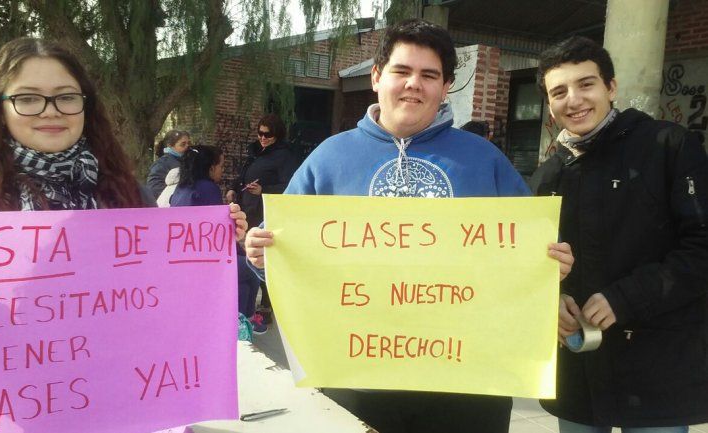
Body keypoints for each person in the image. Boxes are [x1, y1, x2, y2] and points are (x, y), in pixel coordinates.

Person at [244, 19, 574, 433]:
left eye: (429, 75)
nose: (413, 84)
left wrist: (549, 265)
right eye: (402, 71)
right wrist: (261, 256)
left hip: (466, 381)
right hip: (354, 375)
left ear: (446, 85)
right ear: (377, 77)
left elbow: (527, 251)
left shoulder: (484, 160)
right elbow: (281, 253)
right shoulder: (329, 158)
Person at [529, 36, 708, 433]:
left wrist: (626, 297)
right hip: (577, 372)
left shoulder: (669, 146)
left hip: (656, 369)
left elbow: (701, 248)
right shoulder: (548, 176)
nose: (573, 100)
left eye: (586, 84)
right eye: (559, 91)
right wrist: (550, 301)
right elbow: (532, 264)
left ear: (611, 87)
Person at [0, 37, 247, 241]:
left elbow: (163, 286)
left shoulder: (129, 195)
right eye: (28, 98)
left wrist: (213, 239)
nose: (51, 112)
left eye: (66, 97)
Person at [168, 146, 264, 332]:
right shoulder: (208, 189)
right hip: (205, 262)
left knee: (242, 285)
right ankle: (245, 323)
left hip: (183, 260)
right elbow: (220, 236)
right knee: (251, 270)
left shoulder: (181, 188)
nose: (222, 170)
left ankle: (239, 323)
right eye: (221, 166)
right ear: (211, 168)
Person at [226, 113, 300, 320]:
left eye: (268, 135)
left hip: (266, 212)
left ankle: (268, 305)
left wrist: (265, 189)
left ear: (277, 135)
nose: (263, 138)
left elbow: (290, 186)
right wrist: (234, 189)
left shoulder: (285, 156)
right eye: (260, 134)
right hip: (248, 208)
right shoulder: (257, 152)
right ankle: (256, 305)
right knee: (250, 256)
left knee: (264, 258)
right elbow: (244, 176)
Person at [147, 129, 191, 199]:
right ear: (170, 145)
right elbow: (154, 188)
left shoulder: (187, 160)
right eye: (183, 144)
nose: (187, 146)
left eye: (189, 143)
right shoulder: (162, 163)